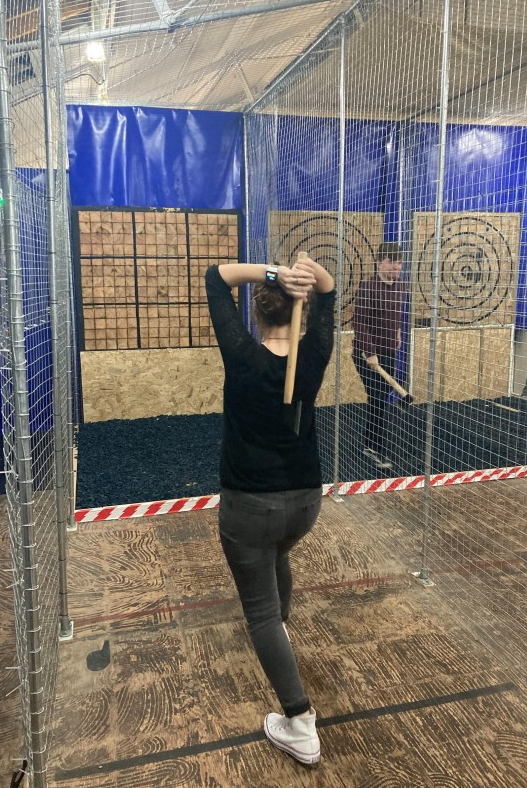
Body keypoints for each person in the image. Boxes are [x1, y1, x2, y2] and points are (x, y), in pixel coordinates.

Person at [205, 256, 335, 766]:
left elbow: (216, 277)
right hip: (304, 504)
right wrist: (308, 275)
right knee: (277, 553)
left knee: (258, 614)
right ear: (301, 309)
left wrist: (275, 272)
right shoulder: (316, 352)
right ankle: (279, 626)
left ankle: (299, 721)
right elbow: (329, 289)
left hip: (249, 508)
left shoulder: (242, 355)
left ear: (258, 313)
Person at [352, 242, 405, 469]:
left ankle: (371, 443)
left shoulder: (401, 286)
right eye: (391, 262)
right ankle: (374, 448)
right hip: (367, 355)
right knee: (377, 398)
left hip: (389, 352)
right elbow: (359, 323)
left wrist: (398, 333)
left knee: (381, 398)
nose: (396, 267)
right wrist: (370, 353)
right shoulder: (368, 287)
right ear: (379, 263)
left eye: (399, 262)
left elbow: (397, 314)